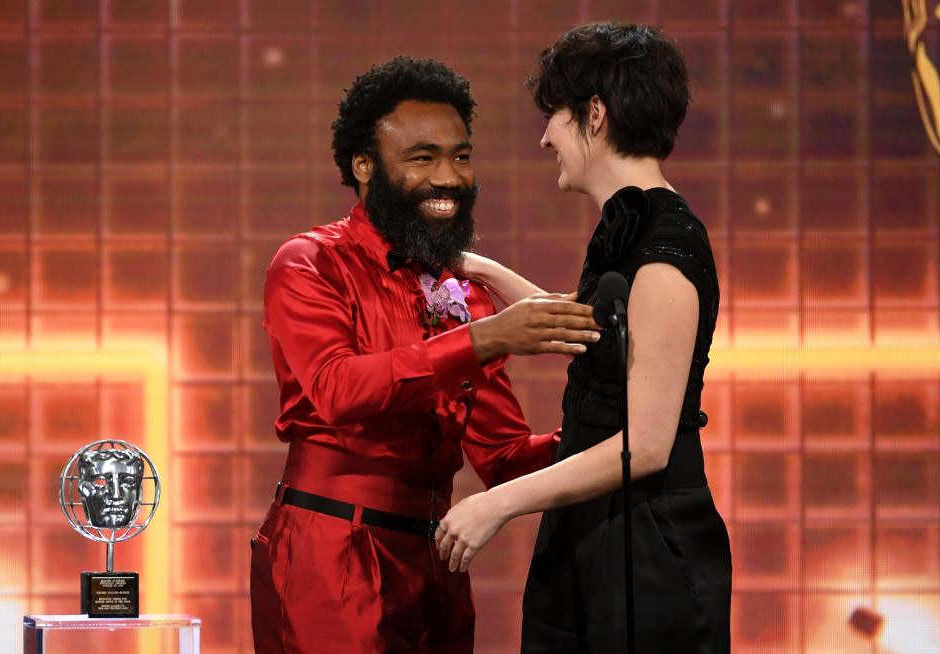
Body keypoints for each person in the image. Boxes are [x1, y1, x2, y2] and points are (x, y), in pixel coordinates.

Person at [250, 56, 601, 654]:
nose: (449, 178)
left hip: (438, 562)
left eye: (461, 157)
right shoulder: (310, 262)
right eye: (422, 158)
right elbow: (337, 390)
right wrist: (486, 339)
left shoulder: (464, 294)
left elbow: (504, 458)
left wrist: (616, 439)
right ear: (364, 166)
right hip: (330, 555)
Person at [436, 23, 732, 653]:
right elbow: (579, 325)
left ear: (595, 115)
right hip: (594, 524)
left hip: (647, 544)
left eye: (556, 117)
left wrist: (497, 504)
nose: (545, 137)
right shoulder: (632, 227)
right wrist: (477, 268)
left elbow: (647, 446)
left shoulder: (666, 248)